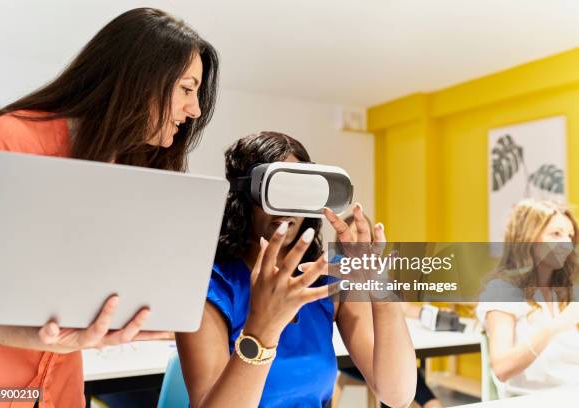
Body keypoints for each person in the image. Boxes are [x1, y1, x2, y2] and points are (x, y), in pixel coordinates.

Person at [0, 7, 219, 407]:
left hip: (59, 392)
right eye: (187, 89)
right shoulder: (12, 140)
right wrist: (38, 336)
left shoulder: (125, 166)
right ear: (141, 79)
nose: (195, 110)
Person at [176, 132, 416, 407]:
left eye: (299, 193)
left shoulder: (325, 278)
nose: (287, 207)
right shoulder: (210, 286)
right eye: (276, 190)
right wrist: (262, 328)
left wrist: (382, 294)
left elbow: (397, 395)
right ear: (243, 196)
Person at [334, 215, 444, 408]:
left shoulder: (375, 273)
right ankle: (430, 402)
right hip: (352, 357)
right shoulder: (335, 275)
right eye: (351, 235)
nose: (356, 241)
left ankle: (430, 402)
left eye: (362, 235)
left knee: (402, 367)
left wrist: (430, 315)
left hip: (381, 354)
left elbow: (402, 306)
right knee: (394, 370)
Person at [477, 199, 579, 397]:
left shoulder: (565, 291)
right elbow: (502, 369)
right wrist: (558, 325)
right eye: (555, 234)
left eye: (570, 236)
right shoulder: (502, 292)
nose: (566, 244)